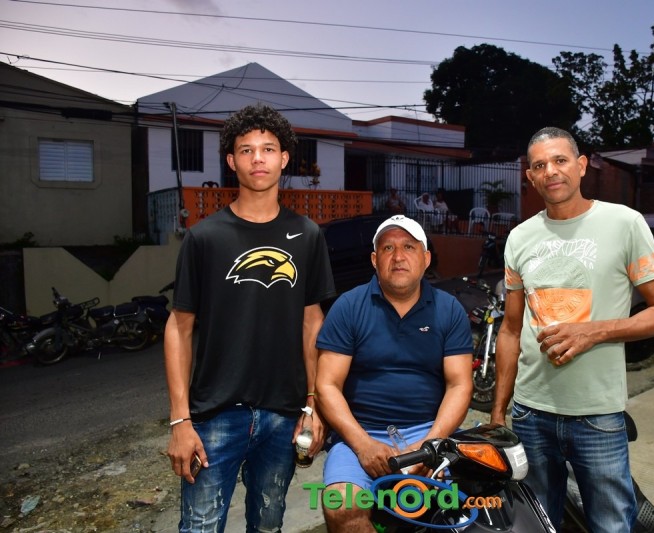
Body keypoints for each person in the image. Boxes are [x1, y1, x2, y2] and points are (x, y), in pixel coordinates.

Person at [490, 127, 654, 533]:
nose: (551, 171)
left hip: (597, 414)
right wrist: (499, 409)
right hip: (531, 413)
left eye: (560, 160)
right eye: (540, 165)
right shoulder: (520, 238)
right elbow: (510, 330)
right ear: (530, 177)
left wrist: (594, 332)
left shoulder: (624, 223)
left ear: (581, 166)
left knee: (610, 525)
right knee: (537, 524)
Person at [164, 103, 337, 532]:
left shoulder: (308, 235)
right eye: (246, 150)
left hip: (283, 414)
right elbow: (179, 328)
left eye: (268, 149)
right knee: (200, 527)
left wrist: (313, 404)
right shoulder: (204, 237)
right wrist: (180, 420)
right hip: (214, 415)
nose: (258, 158)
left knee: (268, 525)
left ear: (284, 158)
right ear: (231, 161)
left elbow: (312, 323)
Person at [315, 214, 474, 532]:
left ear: (425, 259)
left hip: (430, 430)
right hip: (361, 432)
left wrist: (430, 443)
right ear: (375, 260)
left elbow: (460, 385)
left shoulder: (448, 309)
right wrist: (363, 445)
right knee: (342, 507)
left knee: (466, 505)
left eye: (408, 247)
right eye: (388, 248)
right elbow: (326, 385)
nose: (398, 256)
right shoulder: (348, 307)